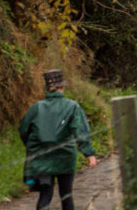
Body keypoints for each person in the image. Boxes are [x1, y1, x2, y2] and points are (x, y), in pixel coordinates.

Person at [18, 69, 98, 210]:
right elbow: (79, 130)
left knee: (45, 195)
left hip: (41, 157)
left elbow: (23, 129)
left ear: (47, 89)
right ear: (62, 87)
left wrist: (32, 147)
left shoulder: (37, 108)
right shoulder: (72, 106)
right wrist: (89, 153)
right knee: (66, 195)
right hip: (65, 158)